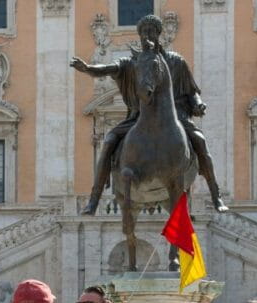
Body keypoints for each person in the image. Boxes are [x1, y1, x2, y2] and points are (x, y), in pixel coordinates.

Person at [71, 14, 227, 214]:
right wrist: (88, 68)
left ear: (158, 34)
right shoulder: (133, 63)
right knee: (109, 141)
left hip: (175, 115)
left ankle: (216, 194)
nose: (147, 36)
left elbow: (191, 90)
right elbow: (108, 69)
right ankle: (94, 200)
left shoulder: (176, 61)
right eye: (143, 32)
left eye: (151, 31)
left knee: (199, 140)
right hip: (138, 116)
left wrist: (198, 104)